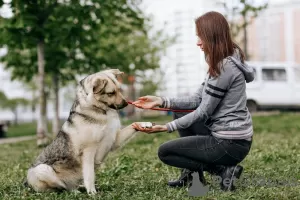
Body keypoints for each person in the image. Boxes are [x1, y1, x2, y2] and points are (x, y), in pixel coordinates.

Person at [131, 11, 255, 191]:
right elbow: (197, 99)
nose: (198, 42)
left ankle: (223, 170)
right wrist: (160, 101)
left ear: (212, 37)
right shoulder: (224, 60)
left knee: (165, 152)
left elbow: (203, 111)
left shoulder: (224, 67)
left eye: (201, 36)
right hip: (233, 138)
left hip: (230, 143)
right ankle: (193, 176)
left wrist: (166, 127)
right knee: (179, 111)